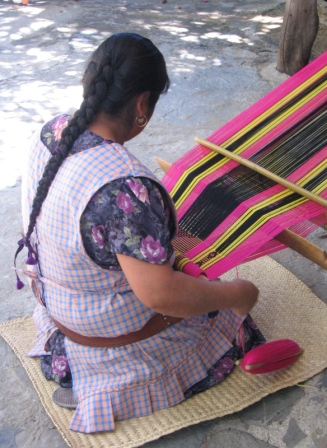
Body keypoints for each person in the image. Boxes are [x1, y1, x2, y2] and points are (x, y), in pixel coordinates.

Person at [18, 33, 264, 434]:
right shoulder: (126, 190)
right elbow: (162, 295)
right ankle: (109, 382)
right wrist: (237, 295)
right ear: (141, 105)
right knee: (218, 305)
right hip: (107, 330)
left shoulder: (53, 131)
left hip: (61, 303)